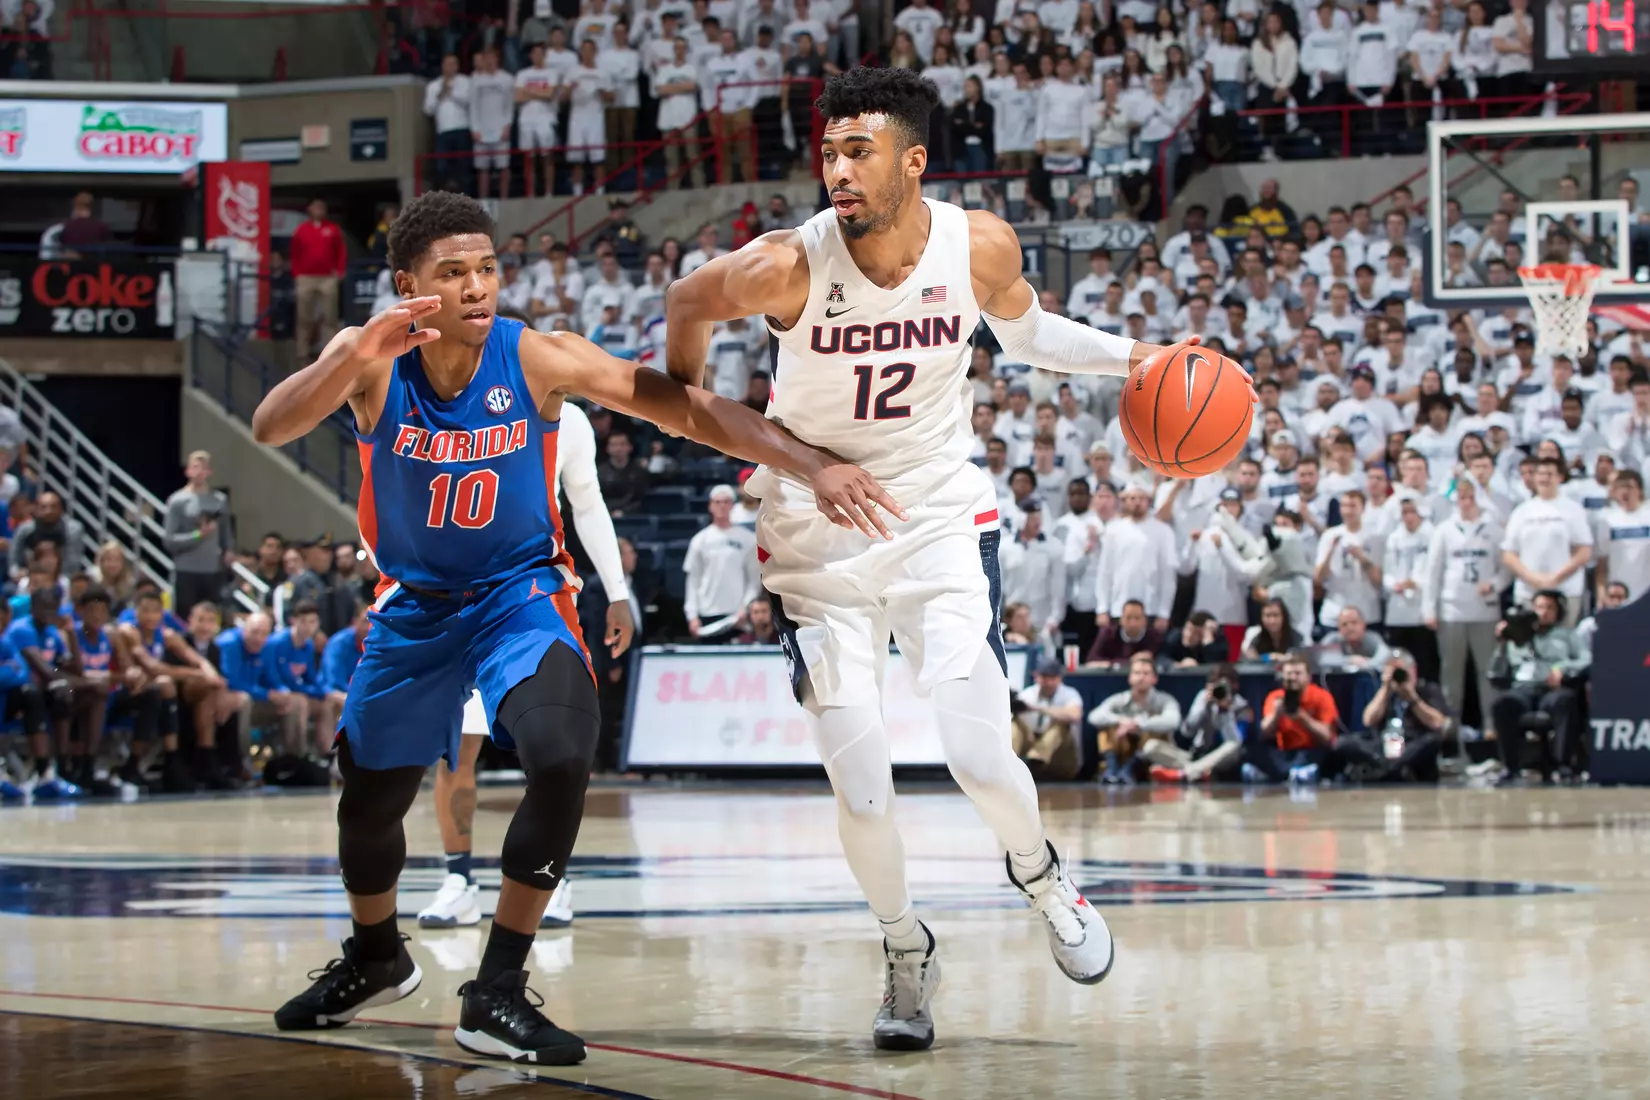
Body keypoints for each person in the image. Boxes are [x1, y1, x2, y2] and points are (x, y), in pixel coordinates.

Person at [253, 190, 895, 1065]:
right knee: (367, 801)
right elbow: (270, 424)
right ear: (408, 285)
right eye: (453, 273)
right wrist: (358, 348)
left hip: (519, 594)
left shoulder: (537, 357)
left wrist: (809, 461)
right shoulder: (367, 361)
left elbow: (681, 407)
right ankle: (375, 956)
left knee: (561, 752)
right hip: (414, 605)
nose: (479, 287)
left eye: (487, 268)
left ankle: (497, 990)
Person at [659, 67, 1225, 1049]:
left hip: (936, 523)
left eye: (859, 150)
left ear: (913, 160)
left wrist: (1138, 357)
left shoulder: (980, 244)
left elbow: (1030, 333)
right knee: (864, 784)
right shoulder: (783, 265)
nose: (836, 168)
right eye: (829, 150)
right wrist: (721, 415)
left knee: (976, 753)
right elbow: (682, 307)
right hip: (811, 542)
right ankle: (904, 947)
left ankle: (1042, 875)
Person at [417, 397, 632, 933]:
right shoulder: (440, 408)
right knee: (452, 754)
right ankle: (459, 880)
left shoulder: (569, 420)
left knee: (549, 752)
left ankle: (549, 877)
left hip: (534, 603)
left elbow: (588, 505)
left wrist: (618, 591)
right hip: (453, 601)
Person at [1422, 479, 1506, 734]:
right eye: (1462, 498)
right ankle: (1451, 729)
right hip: (1451, 610)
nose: (1466, 503)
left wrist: (1494, 584)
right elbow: (1433, 572)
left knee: (1488, 671)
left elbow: (1507, 568)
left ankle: (1492, 725)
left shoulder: (1493, 529)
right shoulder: (1444, 530)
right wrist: (1429, 609)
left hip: (1485, 610)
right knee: (1451, 673)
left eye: (1471, 497)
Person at [1487, 590, 1590, 782]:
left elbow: (1586, 659)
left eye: (1550, 607)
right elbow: (1496, 670)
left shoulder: (1567, 635)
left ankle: (1563, 766)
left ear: (1558, 611)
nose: (1544, 612)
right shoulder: (1516, 634)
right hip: (1522, 689)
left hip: (1551, 689)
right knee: (1502, 704)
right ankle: (1510, 768)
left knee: (1565, 700)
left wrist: (1563, 669)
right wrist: (1502, 642)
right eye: (1540, 607)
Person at [1501, 456, 1592, 626]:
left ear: (1560, 477)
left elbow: (1584, 551)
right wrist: (1532, 577)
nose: (1544, 478)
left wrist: (1556, 578)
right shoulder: (1522, 511)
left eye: (1550, 474)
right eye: (1540, 474)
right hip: (1528, 593)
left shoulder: (1573, 510)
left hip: (1565, 591)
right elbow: (1509, 554)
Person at [1355, 648, 1452, 782]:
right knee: (1346, 743)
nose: (1397, 677)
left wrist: (1412, 698)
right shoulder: (1384, 692)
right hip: (1386, 742)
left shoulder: (1428, 689)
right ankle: (1392, 767)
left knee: (1432, 740)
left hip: (1413, 743)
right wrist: (1385, 690)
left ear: (1413, 670)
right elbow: (1368, 720)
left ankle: (1388, 769)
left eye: (1400, 671)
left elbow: (1438, 723)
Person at [1143, 663, 1250, 783]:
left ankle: (1184, 774)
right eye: (1217, 685)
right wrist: (1204, 706)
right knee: (1151, 747)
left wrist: (1225, 710)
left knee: (1233, 745)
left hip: (1222, 760)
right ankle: (1198, 771)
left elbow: (1236, 742)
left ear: (1235, 686)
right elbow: (1187, 731)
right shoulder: (1202, 697)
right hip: (1196, 755)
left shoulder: (1242, 707)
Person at [1087, 651, 1183, 784]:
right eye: (1137, 673)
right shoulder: (1120, 699)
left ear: (1154, 679)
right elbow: (1094, 716)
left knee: (1153, 726)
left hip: (1151, 758)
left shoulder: (1165, 700)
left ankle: (1131, 769)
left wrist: (1138, 723)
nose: (1141, 677)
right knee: (1106, 728)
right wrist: (1121, 720)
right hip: (1124, 751)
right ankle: (1112, 771)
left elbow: (1173, 721)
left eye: (1146, 674)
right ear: (1130, 678)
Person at [683, 484, 761, 644]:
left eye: (726, 502)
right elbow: (693, 581)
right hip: (707, 612)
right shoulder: (700, 540)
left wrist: (745, 607)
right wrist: (692, 615)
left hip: (737, 615)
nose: (722, 506)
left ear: (732, 505)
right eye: (717, 502)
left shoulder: (748, 539)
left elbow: (754, 580)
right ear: (710, 506)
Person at [1250, 651, 1339, 784]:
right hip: (1283, 751)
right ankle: (1289, 772)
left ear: (1308, 676)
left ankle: (1288, 773)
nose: (1293, 678)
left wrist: (1303, 718)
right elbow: (1264, 733)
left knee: (1333, 751)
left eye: (1297, 673)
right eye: (1289, 674)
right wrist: (1276, 715)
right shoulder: (1275, 697)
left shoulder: (1321, 696)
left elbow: (1328, 737)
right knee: (1252, 750)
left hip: (1311, 750)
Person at [163, 450, 233, 614]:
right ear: (187, 470)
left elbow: (226, 531)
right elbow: (169, 540)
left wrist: (229, 550)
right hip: (186, 569)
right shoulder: (177, 500)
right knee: (185, 616)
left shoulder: (219, 499)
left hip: (212, 570)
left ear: (209, 472)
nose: (199, 471)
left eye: (203, 468)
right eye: (195, 467)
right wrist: (197, 535)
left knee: (211, 615)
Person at [291, 198, 348, 359]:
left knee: (330, 317)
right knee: (304, 317)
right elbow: (294, 253)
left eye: (322, 207)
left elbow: (341, 251)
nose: (319, 210)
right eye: (316, 207)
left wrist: (340, 270)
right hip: (306, 278)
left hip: (327, 278)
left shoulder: (333, 229)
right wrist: (297, 274)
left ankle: (332, 353)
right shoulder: (301, 230)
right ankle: (302, 353)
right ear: (309, 209)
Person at [1011, 657, 1083, 782]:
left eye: (1052, 678)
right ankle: (1009, 762)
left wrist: (1039, 708)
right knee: (1015, 723)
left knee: (1060, 725)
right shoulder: (1028, 694)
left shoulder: (1069, 693)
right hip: (1029, 748)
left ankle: (1035, 760)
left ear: (1060, 678)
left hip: (1062, 761)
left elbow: (1075, 715)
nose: (1048, 682)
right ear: (1036, 676)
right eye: (1044, 677)